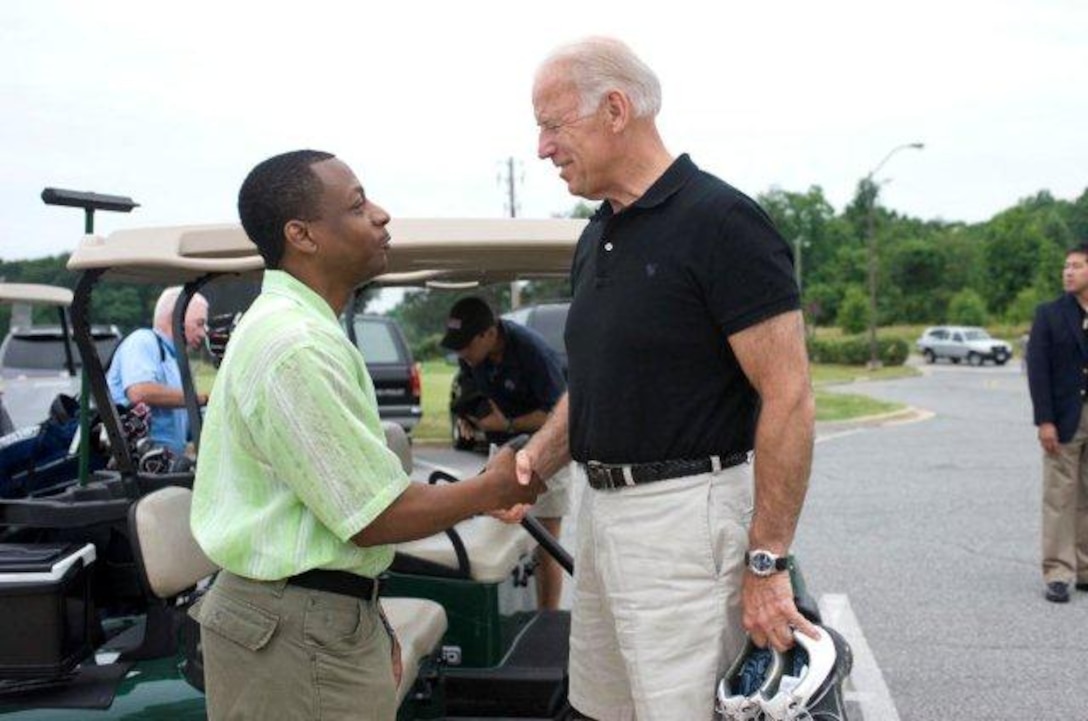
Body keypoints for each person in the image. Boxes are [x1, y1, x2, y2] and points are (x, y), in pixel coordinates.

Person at [509, 37, 818, 720]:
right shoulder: (596, 236)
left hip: (687, 518)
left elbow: (788, 397)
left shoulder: (722, 222)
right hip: (602, 514)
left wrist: (767, 563)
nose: (541, 148)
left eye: (552, 125)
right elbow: (591, 387)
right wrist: (531, 463)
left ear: (616, 109)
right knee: (599, 707)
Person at [189, 150, 543, 721]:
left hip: (308, 617)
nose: (380, 215)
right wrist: (490, 488)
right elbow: (375, 515)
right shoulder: (295, 346)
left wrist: (367, 619)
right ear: (302, 235)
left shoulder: (299, 329)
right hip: (296, 631)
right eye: (357, 205)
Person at [441, 295, 571, 610]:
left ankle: (547, 616)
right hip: (503, 451)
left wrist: (508, 421)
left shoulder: (533, 354)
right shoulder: (471, 357)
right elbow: (471, 393)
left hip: (545, 451)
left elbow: (560, 415)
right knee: (500, 530)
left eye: (466, 345)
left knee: (545, 543)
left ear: (489, 333)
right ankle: (505, 613)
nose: (462, 353)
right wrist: (468, 417)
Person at [1026, 242, 1088, 604]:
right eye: (1066, 266)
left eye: (1077, 266)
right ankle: (1058, 572)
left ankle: (1083, 567)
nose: (1068, 272)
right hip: (1064, 418)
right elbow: (1038, 370)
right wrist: (1045, 420)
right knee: (1059, 497)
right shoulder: (1049, 314)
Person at [106, 286, 208, 454]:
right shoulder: (143, 341)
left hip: (164, 465)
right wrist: (203, 398)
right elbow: (139, 392)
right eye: (199, 323)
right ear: (176, 317)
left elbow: (192, 428)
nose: (204, 333)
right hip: (138, 465)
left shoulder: (175, 361)